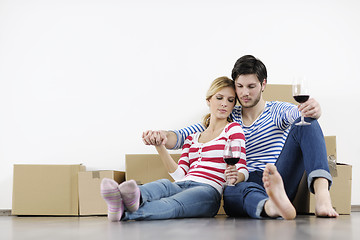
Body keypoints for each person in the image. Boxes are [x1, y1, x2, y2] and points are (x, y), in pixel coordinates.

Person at [143, 55, 338, 220]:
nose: (245, 93)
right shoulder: (227, 115)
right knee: (230, 189)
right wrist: (161, 135)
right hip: (243, 181)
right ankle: (271, 207)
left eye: (251, 86)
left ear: (263, 85)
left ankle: (322, 197)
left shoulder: (278, 111)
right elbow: (180, 137)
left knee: (307, 122)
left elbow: (300, 114)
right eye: (240, 86)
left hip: (277, 175)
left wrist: (314, 110)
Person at [100, 76, 248, 221]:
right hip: (183, 183)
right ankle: (122, 197)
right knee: (163, 184)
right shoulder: (192, 138)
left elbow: (242, 169)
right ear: (209, 100)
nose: (224, 104)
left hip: (208, 190)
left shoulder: (233, 129)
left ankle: (123, 212)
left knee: (172, 204)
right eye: (219, 98)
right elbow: (180, 175)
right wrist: (160, 147)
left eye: (230, 100)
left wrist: (236, 176)